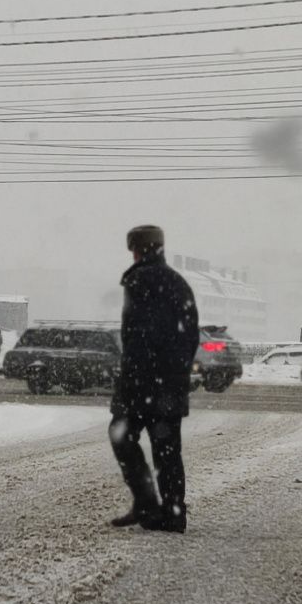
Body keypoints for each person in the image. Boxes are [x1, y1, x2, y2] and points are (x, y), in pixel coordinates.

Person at [109, 225, 199, 534]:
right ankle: (173, 513)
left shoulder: (139, 281)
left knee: (121, 434)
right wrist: (177, 375)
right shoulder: (178, 283)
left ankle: (147, 504)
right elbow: (190, 337)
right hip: (170, 386)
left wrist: (130, 383)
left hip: (143, 384)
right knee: (168, 449)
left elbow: (137, 339)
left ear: (137, 249)